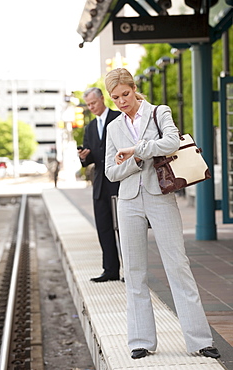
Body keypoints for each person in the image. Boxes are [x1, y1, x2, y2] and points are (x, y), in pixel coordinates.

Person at [104, 68, 220, 360]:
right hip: (128, 202)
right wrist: (136, 160)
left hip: (160, 197)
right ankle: (140, 340)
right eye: (115, 97)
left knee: (177, 266)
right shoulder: (113, 127)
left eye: (125, 94)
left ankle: (199, 341)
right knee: (133, 272)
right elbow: (110, 172)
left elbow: (171, 142)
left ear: (134, 88)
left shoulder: (159, 112)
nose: (121, 101)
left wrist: (136, 150)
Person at [78, 87, 121, 282]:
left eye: (93, 103)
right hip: (100, 185)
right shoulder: (90, 127)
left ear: (102, 99)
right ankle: (110, 270)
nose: (91, 107)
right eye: (88, 105)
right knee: (104, 228)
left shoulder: (119, 118)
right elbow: (90, 158)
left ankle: (130, 271)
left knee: (125, 229)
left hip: (119, 182)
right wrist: (83, 157)